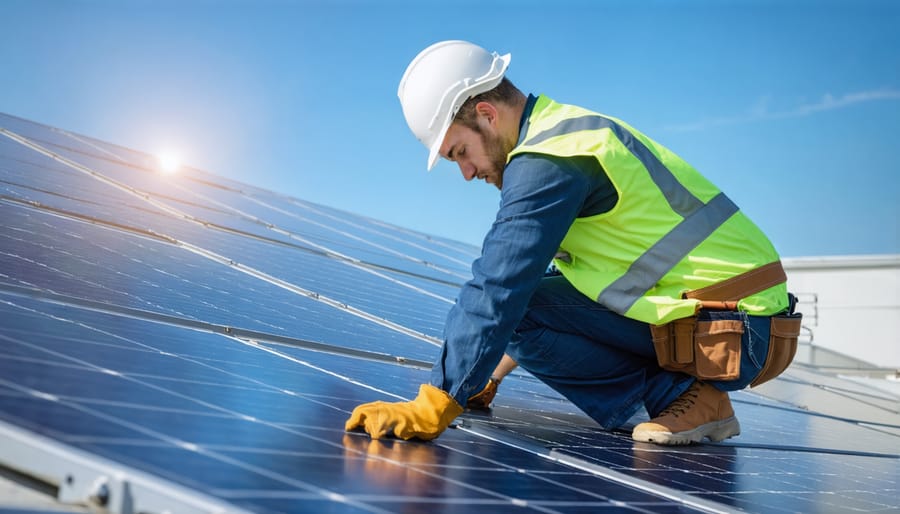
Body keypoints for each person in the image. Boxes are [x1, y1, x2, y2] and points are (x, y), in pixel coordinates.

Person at [345, 40, 802, 445]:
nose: (466, 172)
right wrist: (483, 375)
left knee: (509, 304)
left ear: (486, 113)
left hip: (737, 331)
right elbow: (543, 289)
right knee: (523, 305)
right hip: (737, 319)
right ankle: (684, 394)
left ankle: (683, 398)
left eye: (460, 152)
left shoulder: (549, 162)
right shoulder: (564, 133)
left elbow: (499, 285)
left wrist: (440, 399)